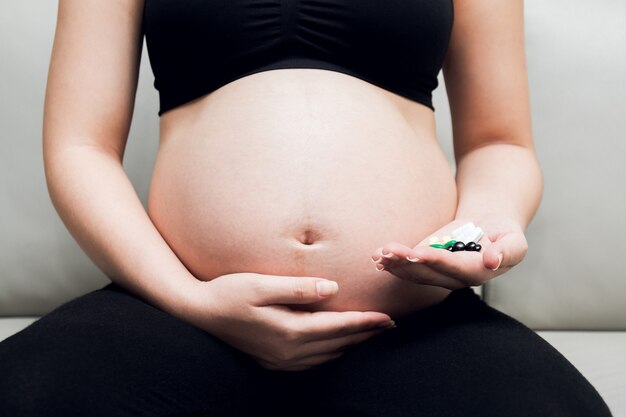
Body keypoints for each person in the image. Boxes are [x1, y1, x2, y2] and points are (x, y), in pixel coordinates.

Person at [0, 0, 613, 416]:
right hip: (178, 306)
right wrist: (193, 301)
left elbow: (497, 143)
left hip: (409, 321)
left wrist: (482, 233)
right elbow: (80, 147)